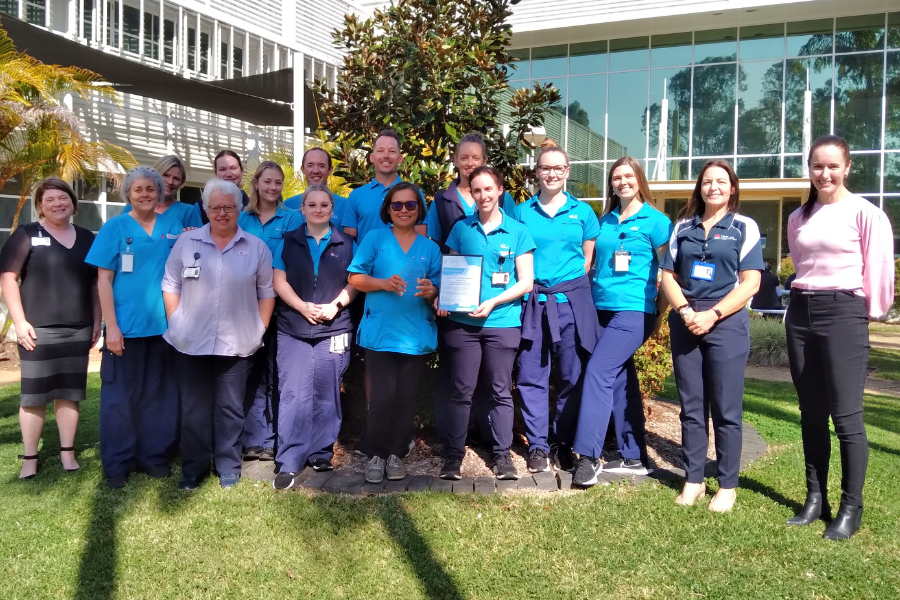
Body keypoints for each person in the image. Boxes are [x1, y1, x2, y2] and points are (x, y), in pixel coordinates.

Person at [784, 135, 894, 540]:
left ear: (847, 168)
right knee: (810, 412)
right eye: (817, 166)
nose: (824, 173)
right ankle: (816, 499)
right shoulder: (799, 217)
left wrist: (865, 313)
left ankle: (851, 508)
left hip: (844, 312)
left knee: (846, 416)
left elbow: (878, 267)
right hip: (800, 312)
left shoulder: (866, 213)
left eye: (833, 166)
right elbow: (801, 262)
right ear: (809, 169)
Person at [660, 160, 763, 512]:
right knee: (690, 407)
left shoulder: (743, 227)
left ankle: (728, 485)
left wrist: (714, 314)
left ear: (732, 188)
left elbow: (751, 281)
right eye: (707, 182)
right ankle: (693, 480)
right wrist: (687, 312)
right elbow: (668, 276)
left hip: (727, 321)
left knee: (726, 407)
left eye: (721, 182)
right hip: (687, 320)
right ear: (699, 188)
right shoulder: (683, 227)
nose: (714, 187)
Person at [162, 178, 276, 489]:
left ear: (239, 209)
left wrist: (259, 329)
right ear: (206, 209)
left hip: (237, 342)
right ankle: (193, 468)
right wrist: (176, 321)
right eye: (215, 208)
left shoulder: (256, 248)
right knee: (194, 409)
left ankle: (228, 466)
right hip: (190, 341)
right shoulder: (187, 243)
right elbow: (170, 285)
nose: (222, 213)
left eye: (228, 207)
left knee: (230, 408)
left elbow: (266, 292)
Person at [572, 156, 673, 486]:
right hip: (600, 307)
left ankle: (587, 455)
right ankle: (633, 456)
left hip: (633, 310)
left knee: (599, 371)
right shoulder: (606, 220)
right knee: (618, 377)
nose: (622, 182)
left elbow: (668, 273)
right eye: (616, 177)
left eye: (628, 176)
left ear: (639, 179)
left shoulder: (656, 222)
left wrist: (659, 314)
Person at [85, 166, 183, 488]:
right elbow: (103, 279)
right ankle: (117, 465)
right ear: (128, 193)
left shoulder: (173, 225)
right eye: (138, 189)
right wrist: (110, 327)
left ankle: (153, 457)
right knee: (119, 400)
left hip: (164, 328)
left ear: (159, 193)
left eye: (150, 189)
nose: (145, 194)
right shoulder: (114, 228)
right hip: (125, 330)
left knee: (158, 397)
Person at [435, 166, 535, 481]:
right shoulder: (461, 229)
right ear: (471, 193)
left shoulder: (518, 231)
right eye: (477, 190)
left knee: (499, 390)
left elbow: (526, 282)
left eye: (489, 189)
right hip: (462, 325)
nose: (483, 195)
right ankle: (453, 457)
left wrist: (493, 301)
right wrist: (442, 296)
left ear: (499, 190)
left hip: (502, 322)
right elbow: (449, 270)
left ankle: (502, 456)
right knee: (460, 390)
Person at [0, 179, 100, 479]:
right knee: (34, 396)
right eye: (50, 199)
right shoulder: (27, 234)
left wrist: (98, 321)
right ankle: (30, 458)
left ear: (73, 203)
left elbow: (95, 283)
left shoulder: (86, 237)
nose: (58, 203)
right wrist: (19, 321)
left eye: (63, 198)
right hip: (37, 330)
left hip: (78, 328)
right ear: (40, 205)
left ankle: (67, 454)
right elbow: (8, 278)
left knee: (69, 394)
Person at [513, 142, 600, 474]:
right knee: (532, 375)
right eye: (545, 168)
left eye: (557, 168)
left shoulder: (584, 213)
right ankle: (537, 444)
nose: (551, 173)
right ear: (537, 171)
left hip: (570, 307)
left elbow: (587, 259)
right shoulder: (521, 213)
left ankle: (562, 442)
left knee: (570, 376)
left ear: (567, 172)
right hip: (532, 304)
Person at [347, 182, 441, 484]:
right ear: (388, 208)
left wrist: (431, 291)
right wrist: (383, 283)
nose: (403, 210)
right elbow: (355, 277)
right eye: (397, 205)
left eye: (410, 205)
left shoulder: (430, 248)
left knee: (405, 398)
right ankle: (376, 452)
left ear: (419, 210)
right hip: (381, 333)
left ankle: (396, 454)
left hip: (414, 334)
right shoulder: (375, 238)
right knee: (382, 398)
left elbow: (441, 291)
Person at [271, 184, 358, 489]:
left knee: (326, 391)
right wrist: (301, 307)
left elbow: (355, 282)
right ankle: (289, 459)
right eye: (312, 205)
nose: (318, 210)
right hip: (294, 327)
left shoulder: (347, 243)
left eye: (324, 205)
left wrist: (335, 306)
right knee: (293, 392)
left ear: (332, 210)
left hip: (333, 327)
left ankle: (321, 452)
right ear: (303, 209)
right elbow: (278, 280)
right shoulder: (287, 242)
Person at [237, 161, 302, 461]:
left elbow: (286, 260)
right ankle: (253, 439)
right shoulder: (240, 218)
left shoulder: (291, 219)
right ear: (256, 184)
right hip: (244, 307)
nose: (273, 188)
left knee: (277, 374)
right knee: (250, 374)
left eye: (278, 183)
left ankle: (275, 438)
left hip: (280, 308)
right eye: (267, 182)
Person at [419, 131, 515, 250]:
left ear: (484, 161)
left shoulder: (501, 197)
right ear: (455, 160)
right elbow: (435, 246)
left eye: (475, 158)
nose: (470, 163)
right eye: (464, 158)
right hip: (454, 267)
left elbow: (513, 235)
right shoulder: (440, 202)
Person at [343, 129, 406, 244]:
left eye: (392, 151)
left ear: (400, 158)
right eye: (380, 151)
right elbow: (348, 245)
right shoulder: (356, 196)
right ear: (372, 157)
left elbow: (420, 243)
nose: (386, 156)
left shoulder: (413, 194)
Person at [124, 155, 202, 229]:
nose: (170, 182)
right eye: (166, 175)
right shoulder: (134, 205)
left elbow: (197, 241)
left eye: (176, 179)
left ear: (181, 183)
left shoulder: (188, 212)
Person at [283, 147, 349, 226]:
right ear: (302, 169)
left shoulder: (346, 206)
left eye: (321, 166)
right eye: (310, 165)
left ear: (330, 170)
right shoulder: (288, 205)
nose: (316, 171)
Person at [196, 150, 250, 224]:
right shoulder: (200, 207)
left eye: (233, 168)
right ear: (216, 173)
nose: (228, 174)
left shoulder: (253, 206)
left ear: (242, 171)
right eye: (222, 169)